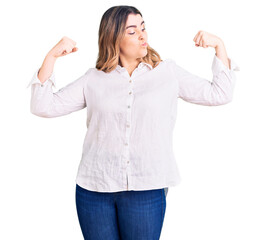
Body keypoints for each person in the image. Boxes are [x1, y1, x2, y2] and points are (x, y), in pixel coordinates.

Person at [26, 5, 240, 240]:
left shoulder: (168, 73)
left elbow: (220, 93)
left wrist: (219, 45)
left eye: (143, 27)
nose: (142, 35)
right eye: (132, 31)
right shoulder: (93, 79)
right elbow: (42, 106)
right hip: (94, 189)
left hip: (146, 189)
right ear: (113, 37)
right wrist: (52, 56)